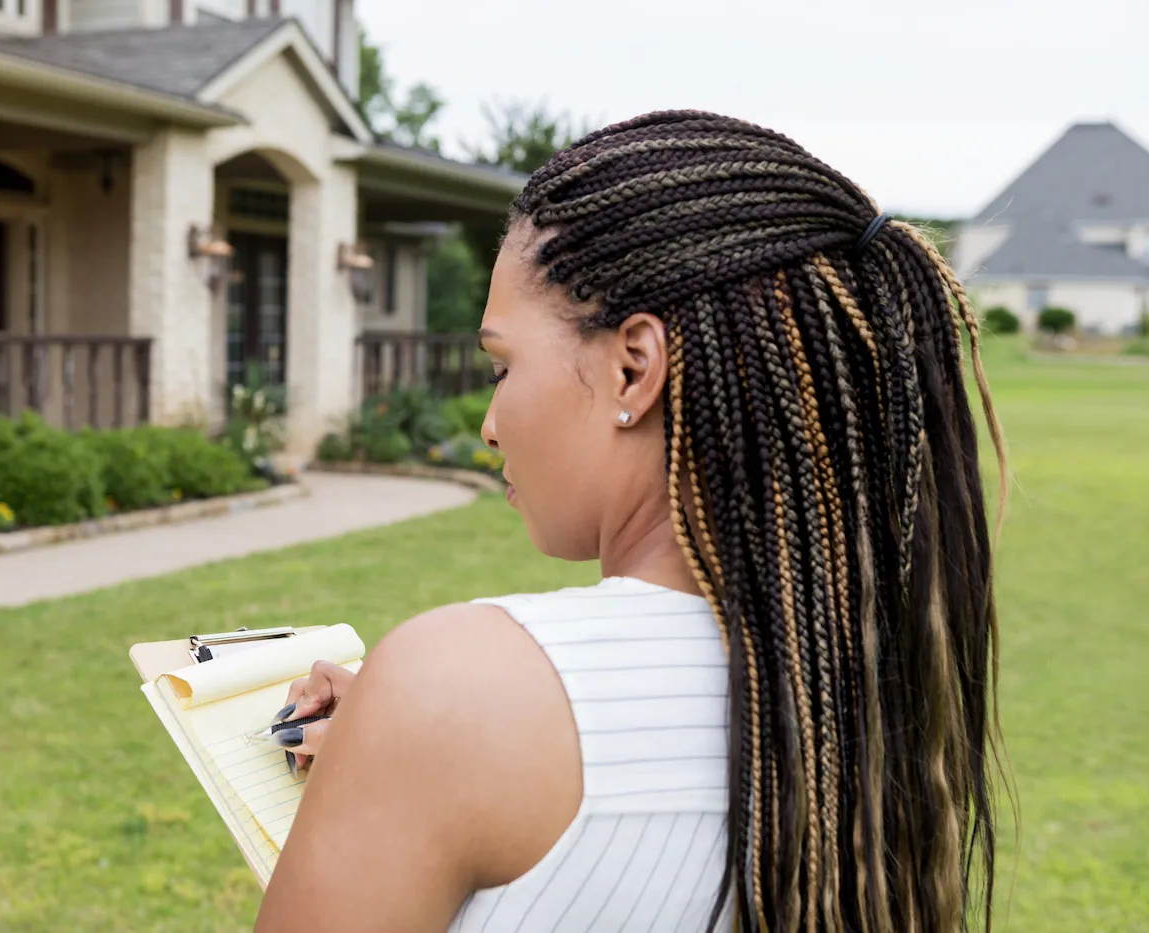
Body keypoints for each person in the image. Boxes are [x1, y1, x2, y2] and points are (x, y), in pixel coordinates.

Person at [254, 110, 1009, 933]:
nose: (490, 424)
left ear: (634, 367)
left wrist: (406, 734)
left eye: (503, 365)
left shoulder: (449, 688)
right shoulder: (859, 682)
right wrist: (388, 749)